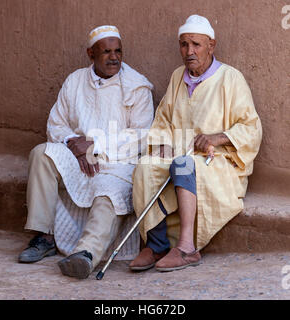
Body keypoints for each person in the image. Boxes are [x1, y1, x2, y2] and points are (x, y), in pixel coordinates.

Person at [18, 25, 154, 279]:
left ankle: (85, 254)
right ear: (90, 54)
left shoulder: (137, 87)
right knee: (41, 154)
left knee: (109, 195)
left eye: (118, 51)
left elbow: (141, 136)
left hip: (118, 162)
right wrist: (74, 143)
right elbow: (56, 124)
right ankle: (44, 236)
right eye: (106, 52)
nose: (114, 57)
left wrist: (94, 145)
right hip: (78, 158)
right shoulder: (75, 80)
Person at [130, 15, 262, 272]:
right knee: (146, 165)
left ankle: (187, 248)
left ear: (211, 46)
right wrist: (162, 146)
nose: (189, 51)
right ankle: (155, 244)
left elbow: (251, 128)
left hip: (218, 160)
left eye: (196, 45)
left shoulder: (230, 78)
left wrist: (217, 137)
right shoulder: (178, 76)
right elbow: (163, 120)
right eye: (184, 44)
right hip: (180, 154)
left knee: (182, 165)